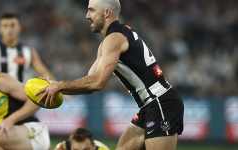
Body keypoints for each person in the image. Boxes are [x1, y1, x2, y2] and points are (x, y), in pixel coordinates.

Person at [38, 0, 184, 150]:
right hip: (150, 105)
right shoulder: (110, 40)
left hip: (161, 102)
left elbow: (97, 83)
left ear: (107, 13)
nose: (87, 15)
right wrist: (55, 86)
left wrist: (60, 86)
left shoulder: (115, 39)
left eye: (92, 10)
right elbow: (88, 81)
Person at [0, 12, 53, 82]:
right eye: (5, 26)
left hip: (21, 92)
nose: (9, 29)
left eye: (13, 25)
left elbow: (44, 73)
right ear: (0, 29)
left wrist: (54, 84)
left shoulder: (29, 51)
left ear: (20, 28)